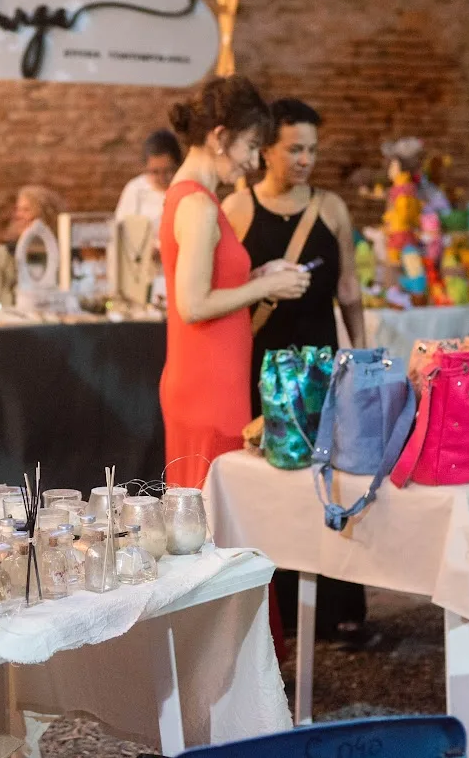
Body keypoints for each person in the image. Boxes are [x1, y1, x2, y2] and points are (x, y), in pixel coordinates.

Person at [222, 98, 373, 650]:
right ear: (266, 150)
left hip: (323, 364)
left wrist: (364, 360)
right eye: (295, 148)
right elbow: (225, 296)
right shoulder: (237, 208)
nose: (307, 159)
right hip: (261, 369)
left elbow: (350, 290)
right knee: (272, 484)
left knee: (328, 479)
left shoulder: (331, 207)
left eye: (313, 148)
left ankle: (338, 608)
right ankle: (278, 611)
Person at [159, 75, 310, 490]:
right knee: (210, 522)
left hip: (212, 378)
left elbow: (206, 282)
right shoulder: (197, 204)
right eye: (250, 146)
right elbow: (193, 304)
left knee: (210, 519)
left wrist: (257, 275)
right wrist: (265, 289)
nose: (254, 162)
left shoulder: (196, 198)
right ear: (219, 137)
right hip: (207, 385)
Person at [114, 129, 182, 230]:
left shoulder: (184, 190)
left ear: (177, 165)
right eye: (155, 172)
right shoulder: (135, 189)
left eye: (167, 171)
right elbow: (121, 229)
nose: (162, 178)